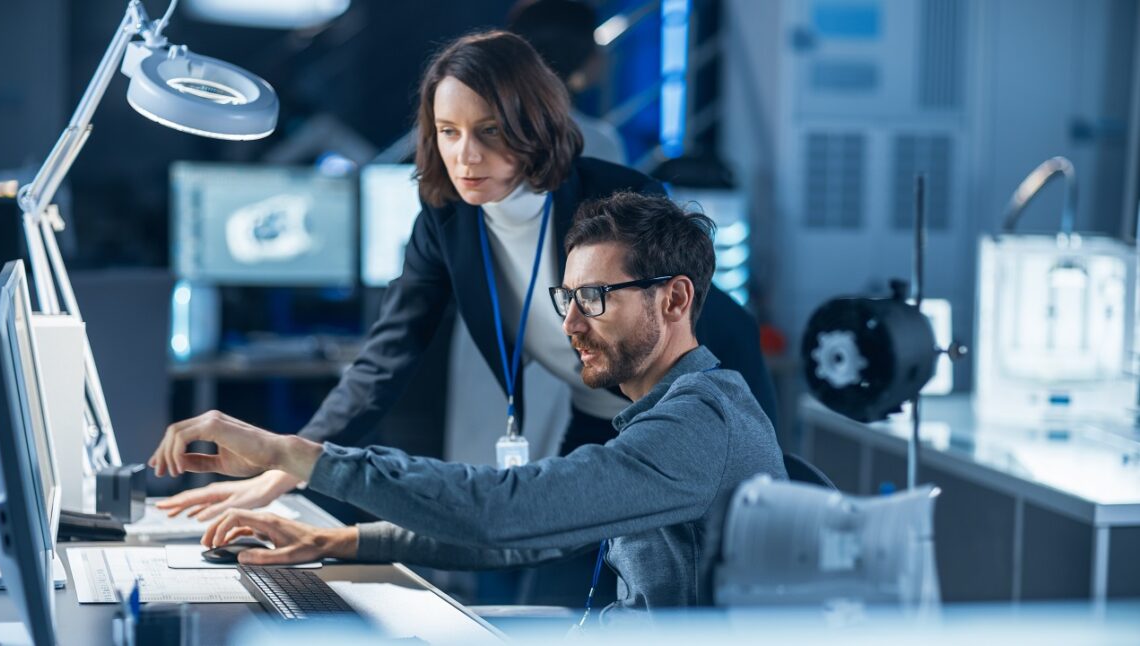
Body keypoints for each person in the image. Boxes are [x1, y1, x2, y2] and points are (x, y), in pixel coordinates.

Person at [149, 30, 777, 522]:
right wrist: (287, 464)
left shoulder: (614, 201)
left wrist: (758, 458)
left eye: (489, 131)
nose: (465, 156)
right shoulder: (447, 221)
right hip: (596, 419)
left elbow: (706, 327)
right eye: (448, 132)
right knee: (548, 580)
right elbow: (385, 358)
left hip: (688, 417)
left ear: (532, 124)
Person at [151, 191, 788, 619]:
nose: (570, 324)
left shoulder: (699, 424)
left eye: (594, 298)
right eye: (566, 298)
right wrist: (334, 540)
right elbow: (523, 539)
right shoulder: (671, 414)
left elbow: (505, 513)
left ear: (674, 299)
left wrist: (292, 455)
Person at [508, 0, 627, 164]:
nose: (604, 53)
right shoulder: (596, 141)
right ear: (577, 52)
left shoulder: (495, 128)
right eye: (595, 42)